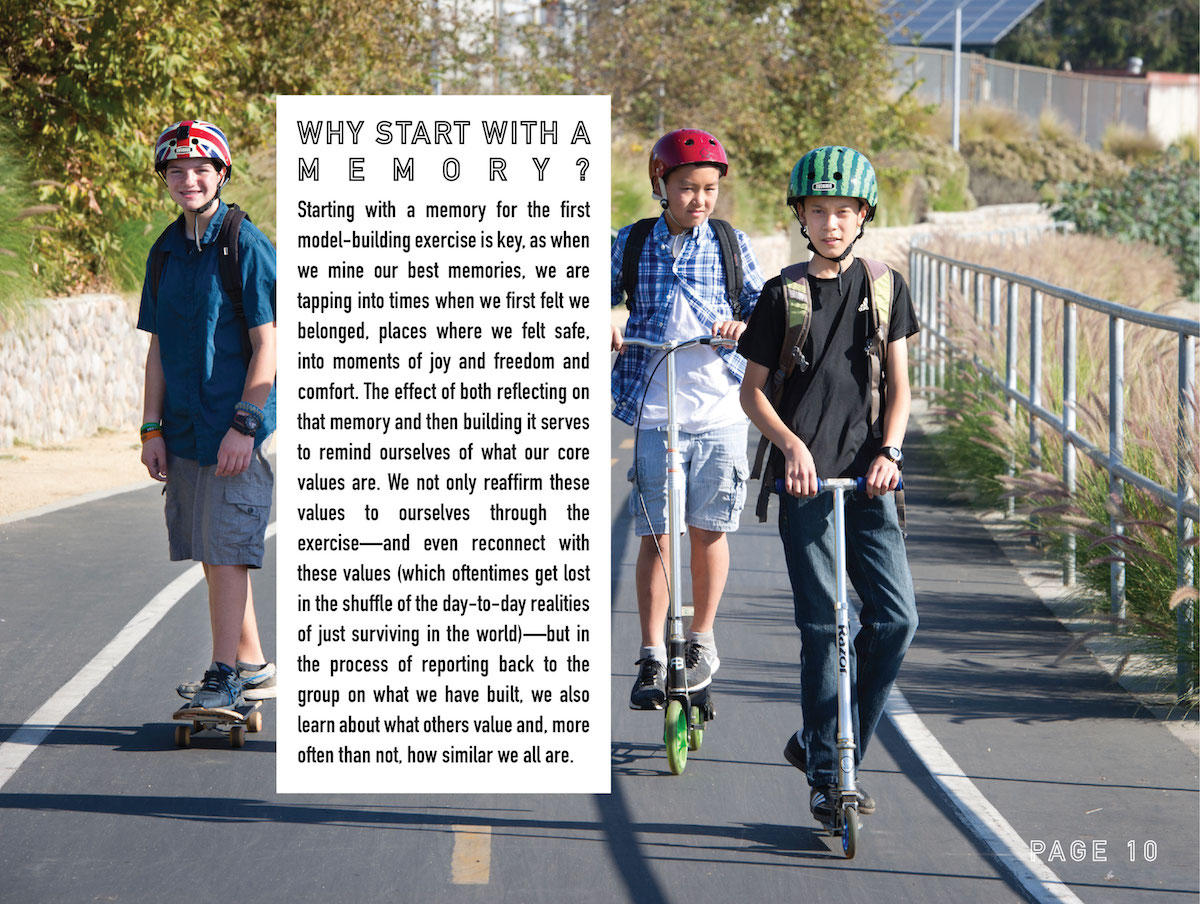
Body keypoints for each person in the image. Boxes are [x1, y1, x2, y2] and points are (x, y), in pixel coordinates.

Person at [737, 146, 919, 822]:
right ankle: (826, 772)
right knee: (822, 626)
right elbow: (753, 393)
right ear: (802, 217)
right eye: (819, 211)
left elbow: (899, 387)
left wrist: (891, 451)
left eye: (844, 211)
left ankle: (825, 741)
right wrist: (789, 448)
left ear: (863, 216)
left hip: (872, 483)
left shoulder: (886, 287)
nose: (832, 222)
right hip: (805, 486)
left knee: (896, 620)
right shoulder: (782, 294)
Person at [611, 128, 764, 710]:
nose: (699, 199)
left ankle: (702, 641)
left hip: (721, 405)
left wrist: (743, 329)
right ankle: (651, 654)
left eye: (708, 188)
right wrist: (607, 318)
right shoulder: (630, 243)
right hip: (655, 405)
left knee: (709, 528)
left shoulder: (730, 243)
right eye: (686, 188)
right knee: (655, 533)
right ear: (661, 186)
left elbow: (760, 311)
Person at [137, 120, 278, 711]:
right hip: (186, 430)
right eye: (176, 171)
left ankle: (224, 675)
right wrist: (151, 427)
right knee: (209, 547)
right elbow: (159, 348)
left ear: (221, 174)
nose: (188, 180)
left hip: (230, 429)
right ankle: (251, 664)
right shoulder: (166, 251)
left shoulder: (245, 245)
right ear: (164, 179)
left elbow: (269, 343)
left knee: (226, 548)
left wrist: (245, 424)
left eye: (200, 169)